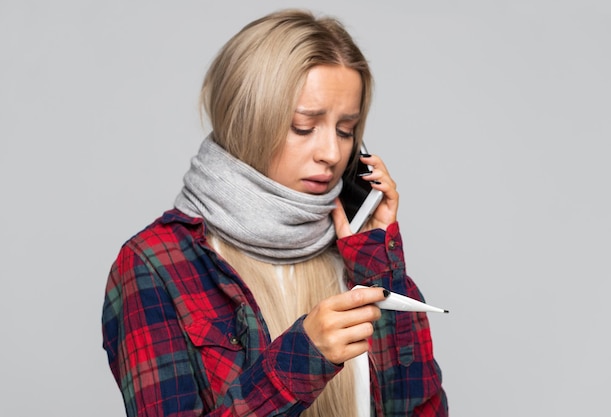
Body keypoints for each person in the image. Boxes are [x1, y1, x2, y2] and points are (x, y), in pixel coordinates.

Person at [102, 8, 448, 417]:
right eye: (304, 127)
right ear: (248, 120)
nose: (332, 154)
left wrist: (378, 261)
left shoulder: (357, 252)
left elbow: (418, 409)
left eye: (345, 130)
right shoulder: (154, 264)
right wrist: (304, 358)